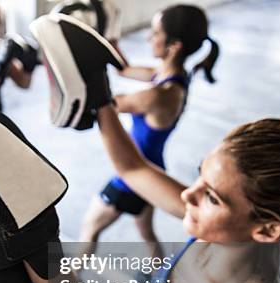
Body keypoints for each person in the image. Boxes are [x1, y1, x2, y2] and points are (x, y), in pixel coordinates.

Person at [24, 46, 280, 283]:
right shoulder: (219, 231)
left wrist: (29, 241)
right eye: (200, 176)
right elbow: (134, 169)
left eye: (212, 196)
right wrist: (100, 97)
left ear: (267, 230)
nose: (188, 195)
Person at [80, 5, 219, 248]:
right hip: (153, 168)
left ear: (174, 46)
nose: (148, 37)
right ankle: (160, 277)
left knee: (89, 228)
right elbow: (123, 69)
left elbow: (106, 104)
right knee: (147, 235)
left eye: (155, 33)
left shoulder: (160, 95)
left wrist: (85, 66)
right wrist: (110, 28)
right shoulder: (170, 76)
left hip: (134, 174)